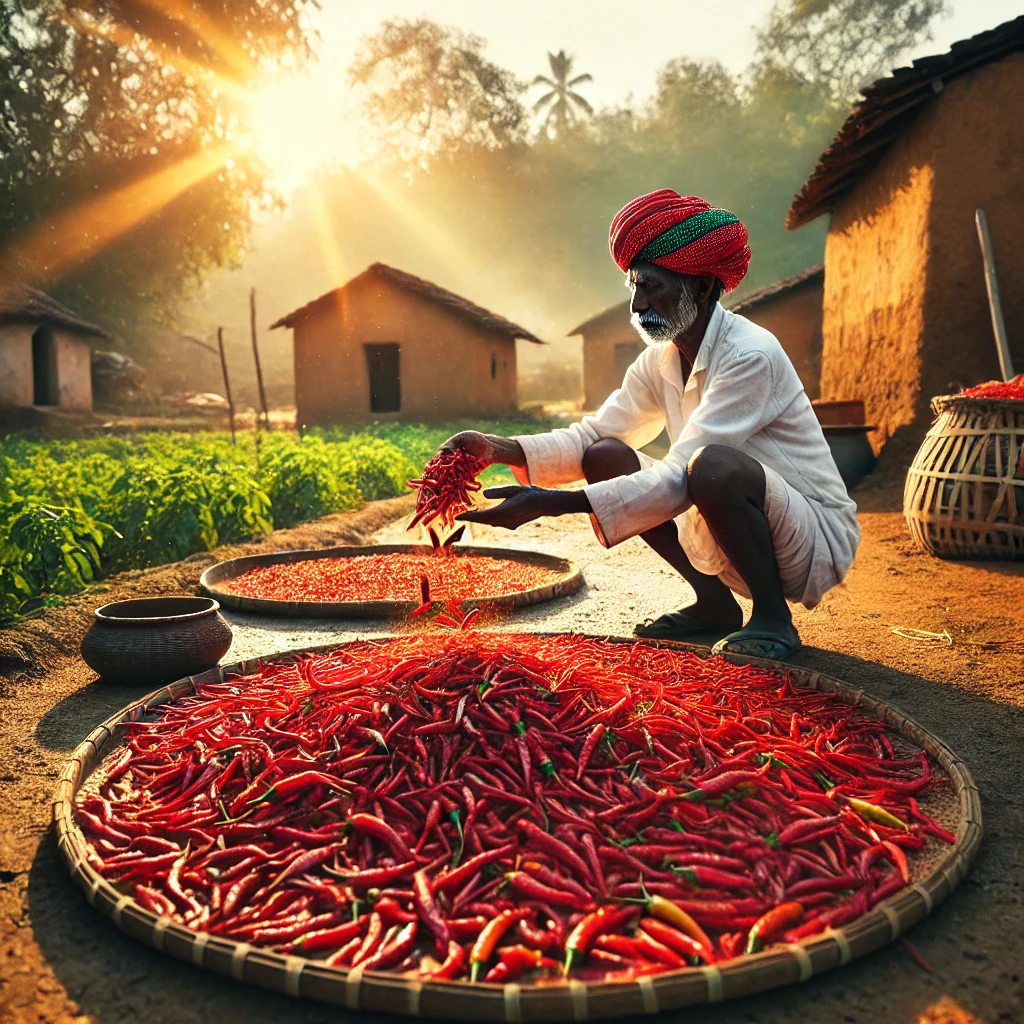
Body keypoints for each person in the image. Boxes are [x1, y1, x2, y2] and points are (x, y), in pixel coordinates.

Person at [448, 189, 859, 659]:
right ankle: (713, 605)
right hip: (738, 520)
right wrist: (494, 449)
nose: (636, 305)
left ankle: (772, 618)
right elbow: (594, 434)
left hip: (810, 533)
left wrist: (555, 504)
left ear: (702, 289)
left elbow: (687, 470)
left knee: (710, 467)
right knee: (605, 453)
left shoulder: (750, 355)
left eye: (651, 286)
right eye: (634, 287)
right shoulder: (660, 360)